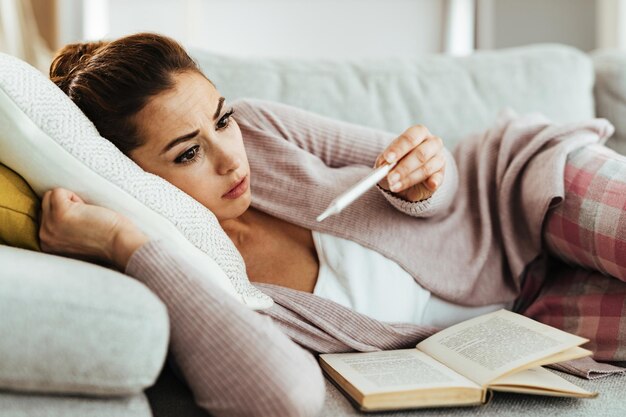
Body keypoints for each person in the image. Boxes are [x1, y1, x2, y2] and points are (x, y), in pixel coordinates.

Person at [38, 33, 626, 417]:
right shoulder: (195, 277)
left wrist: (427, 178)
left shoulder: (264, 127)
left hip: (515, 194)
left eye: (222, 120)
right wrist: (126, 241)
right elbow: (283, 396)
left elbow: (430, 175)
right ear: (128, 174)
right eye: (188, 153)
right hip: (526, 314)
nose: (229, 158)